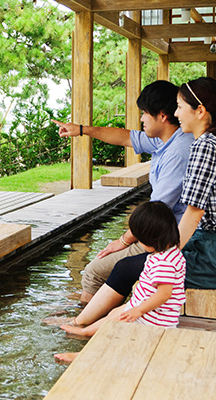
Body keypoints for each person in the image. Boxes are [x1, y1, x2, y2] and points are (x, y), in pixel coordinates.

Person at [56, 76, 216, 337]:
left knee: (130, 268)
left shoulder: (203, 147)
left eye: (180, 107)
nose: (176, 114)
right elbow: (128, 138)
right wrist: (82, 129)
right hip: (215, 247)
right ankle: (86, 322)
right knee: (131, 268)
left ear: (199, 111)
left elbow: (194, 213)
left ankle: (82, 326)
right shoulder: (210, 141)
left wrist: (166, 258)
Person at [52, 80, 193, 304]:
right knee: (103, 270)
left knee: (94, 270)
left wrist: (123, 240)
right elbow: (126, 137)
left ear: (162, 115)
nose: (142, 119)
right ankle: (90, 306)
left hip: (168, 238)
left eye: (145, 113)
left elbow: (156, 213)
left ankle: (83, 320)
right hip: (161, 232)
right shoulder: (165, 139)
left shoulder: (178, 152)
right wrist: (81, 130)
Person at [54, 201, 186, 364]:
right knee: (114, 314)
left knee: (115, 335)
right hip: (145, 308)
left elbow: (165, 293)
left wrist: (138, 310)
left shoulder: (163, 263)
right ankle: (87, 331)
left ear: (148, 240)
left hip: (153, 319)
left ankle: (84, 355)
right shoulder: (168, 252)